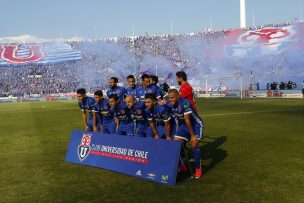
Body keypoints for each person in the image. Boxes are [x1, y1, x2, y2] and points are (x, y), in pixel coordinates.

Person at [168, 89, 204, 178]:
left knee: (194, 144)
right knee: (175, 144)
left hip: (196, 125)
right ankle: (182, 166)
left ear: (177, 96)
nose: (170, 100)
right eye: (169, 98)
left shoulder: (185, 103)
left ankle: (198, 169)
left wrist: (192, 136)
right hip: (184, 126)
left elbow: (188, 120)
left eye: (172, 97)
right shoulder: (170, 105)